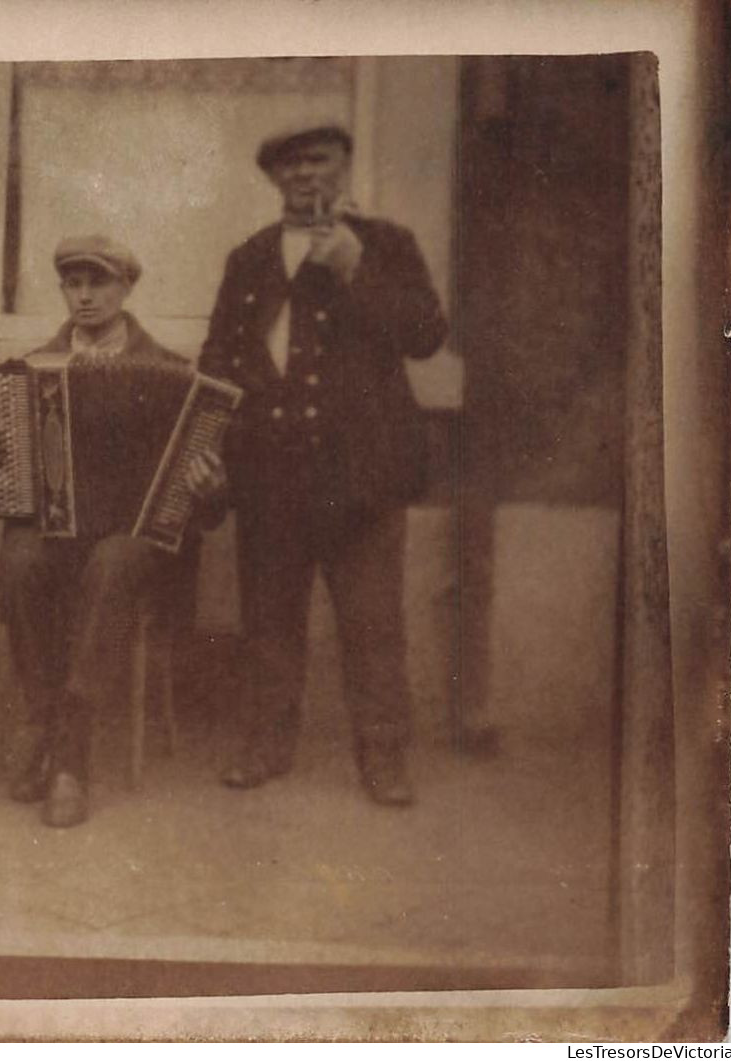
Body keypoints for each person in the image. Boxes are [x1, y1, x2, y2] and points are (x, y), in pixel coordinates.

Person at [197, 123, 448, 807]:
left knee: (371, 623)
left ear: (342, 167)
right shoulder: (247, 257)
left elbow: (425, 335)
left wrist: (351, 267)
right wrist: (213, 449)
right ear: (274, 178)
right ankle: (266, 744)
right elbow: (217, 357)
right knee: (269, 621)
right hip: (268, 471)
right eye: (291, 165)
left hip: (359, 471)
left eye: (319, 160)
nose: (306, 174)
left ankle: (383, 756)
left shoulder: (385, 244)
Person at [0, 236, 226, 829]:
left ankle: (70, 755)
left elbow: (208, 509)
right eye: (73, 283)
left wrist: (210, 485)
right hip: (56, 534)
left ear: (126, 288)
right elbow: (4, 483)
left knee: (112, 563)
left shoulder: (170, 371)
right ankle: (43, 715)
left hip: (133, 540)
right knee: (18, 562)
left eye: (99, 283)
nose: (84, 296)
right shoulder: (34, 371)